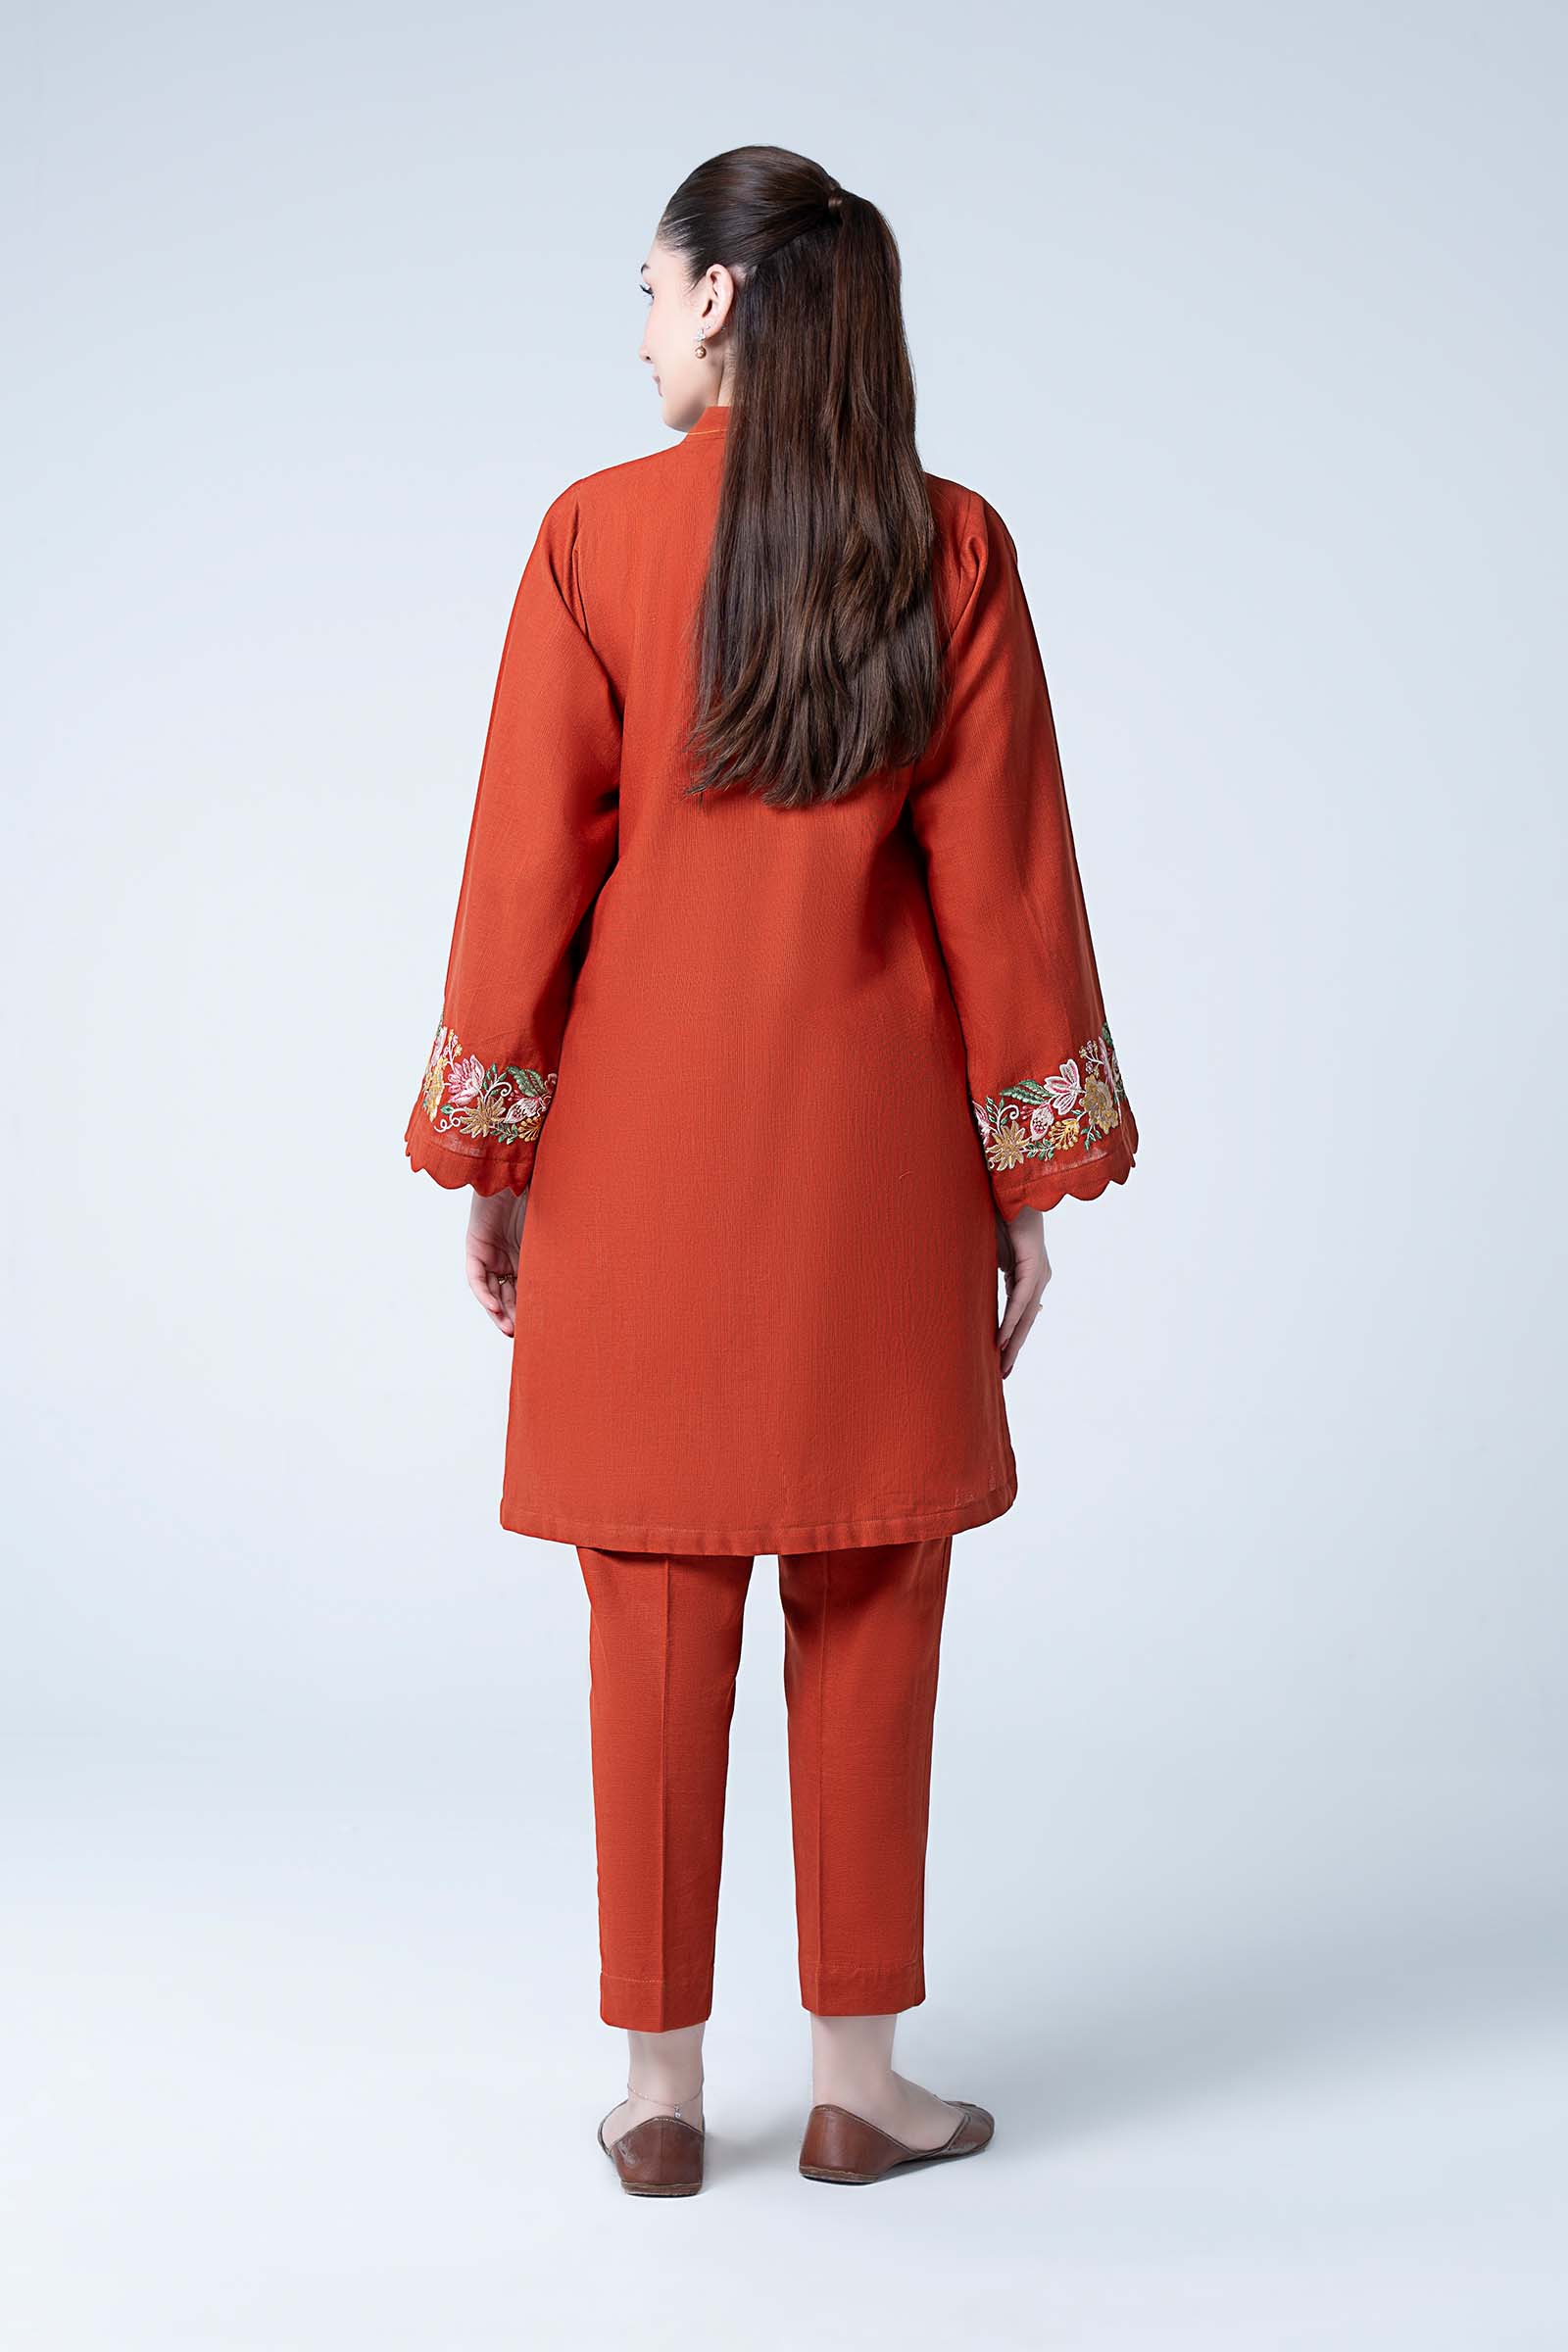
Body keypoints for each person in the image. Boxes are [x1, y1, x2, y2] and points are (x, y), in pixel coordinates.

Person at [402, 144, 1139, 2197]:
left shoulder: (592, 536)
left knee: (648, 1614)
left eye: (650, 293)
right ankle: (856, 2084)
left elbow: (524, 875)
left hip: (635, 1162)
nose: (640, 332)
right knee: (869, 1593)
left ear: (721, 299)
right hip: (872, 1173)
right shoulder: (948, 543)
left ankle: (657, 2096)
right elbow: (1004, 890)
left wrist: (494, 1150)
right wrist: (1021, 1181)